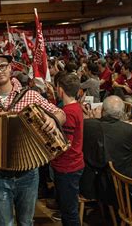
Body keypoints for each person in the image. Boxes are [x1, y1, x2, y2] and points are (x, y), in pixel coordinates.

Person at [0, 46, 65, 226]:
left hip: (28, 173)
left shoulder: (30, 95)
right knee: (3, 223)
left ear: (11, 68)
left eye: (3, 66)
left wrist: (53, 120)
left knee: (26, 222)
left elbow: (60, 113)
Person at [81, 96, 132, 202]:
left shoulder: (87, 124)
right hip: (119, 187)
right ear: (122, 113)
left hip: (90, 182)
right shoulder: (130, 130)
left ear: (103, 111)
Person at [51, 73, 85, 226]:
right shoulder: (75, 107)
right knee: (67, 209)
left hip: (67, 166)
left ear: (60, 90)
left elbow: (66, 144)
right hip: (72, 164)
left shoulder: (68, 112)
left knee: (70, 212)